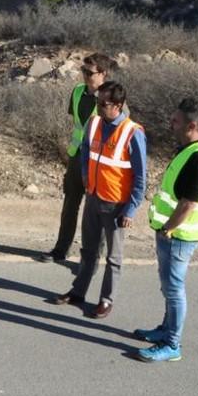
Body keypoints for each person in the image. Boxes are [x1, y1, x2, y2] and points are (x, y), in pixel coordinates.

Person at [51, 81, 146, 318]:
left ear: (118, 105)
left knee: (114, 257)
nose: (99, 107)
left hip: (116, 204)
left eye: (104, 104)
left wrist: (131, 210)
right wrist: (85, 174)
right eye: (98, 102)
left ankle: (106, 300)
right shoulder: (93, 123)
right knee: (88, 251)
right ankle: (78, 292)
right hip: (93, 197)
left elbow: (140, 177)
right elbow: (85, 150)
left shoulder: (132, 132)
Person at [133, 98, 198, 362]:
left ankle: (172, 344)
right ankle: (166, 329)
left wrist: (168, 228)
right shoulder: (187, 150)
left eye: (175, 121)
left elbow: (189, 204)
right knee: (168, 286)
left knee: (174, 289)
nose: (171, 124)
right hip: (170, 232)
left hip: (180, 235)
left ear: (191, 126)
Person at [37, 54, 115, 262]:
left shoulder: (112, 98)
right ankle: (61, 249)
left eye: (90, 72)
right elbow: (78, 124)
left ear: (103, 74)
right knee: (70, 205)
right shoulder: (78, 91)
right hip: (77, 156)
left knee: (95, 210)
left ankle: (93, 257)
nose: (85, 75)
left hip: (98, 163)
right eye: (83, 70)